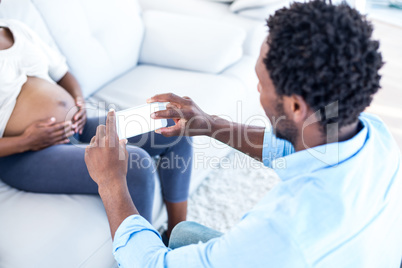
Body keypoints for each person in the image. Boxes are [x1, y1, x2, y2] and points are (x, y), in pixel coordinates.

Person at [84, 1, 402, 267]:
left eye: (261, 83)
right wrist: (210, 124)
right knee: (182, 236)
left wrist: (111, 183)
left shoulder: (280, 233)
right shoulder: (376, 136)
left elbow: (154, 264)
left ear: (295, 105)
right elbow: (290, 149)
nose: (258, 90)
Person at [0, 18, 193, 237]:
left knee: (174, 124)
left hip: (76, 126)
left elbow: (63, 73)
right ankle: (145, 258)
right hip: (25, 154)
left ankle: (176, 236)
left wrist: (78, 102)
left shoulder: (15, 28)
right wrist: (27, 141)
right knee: (134, 163)